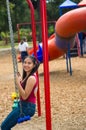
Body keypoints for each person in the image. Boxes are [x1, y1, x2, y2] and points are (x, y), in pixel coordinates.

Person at [1, 55, 40, 130]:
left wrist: (18, 83)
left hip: (27, 107)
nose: (26, 65)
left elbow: (25, 96)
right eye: (25, 62)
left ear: (34, 65)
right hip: (23, 105)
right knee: (5, 126)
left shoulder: (31, 78)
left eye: (29, 63)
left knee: (4, 127)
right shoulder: (27, 75)